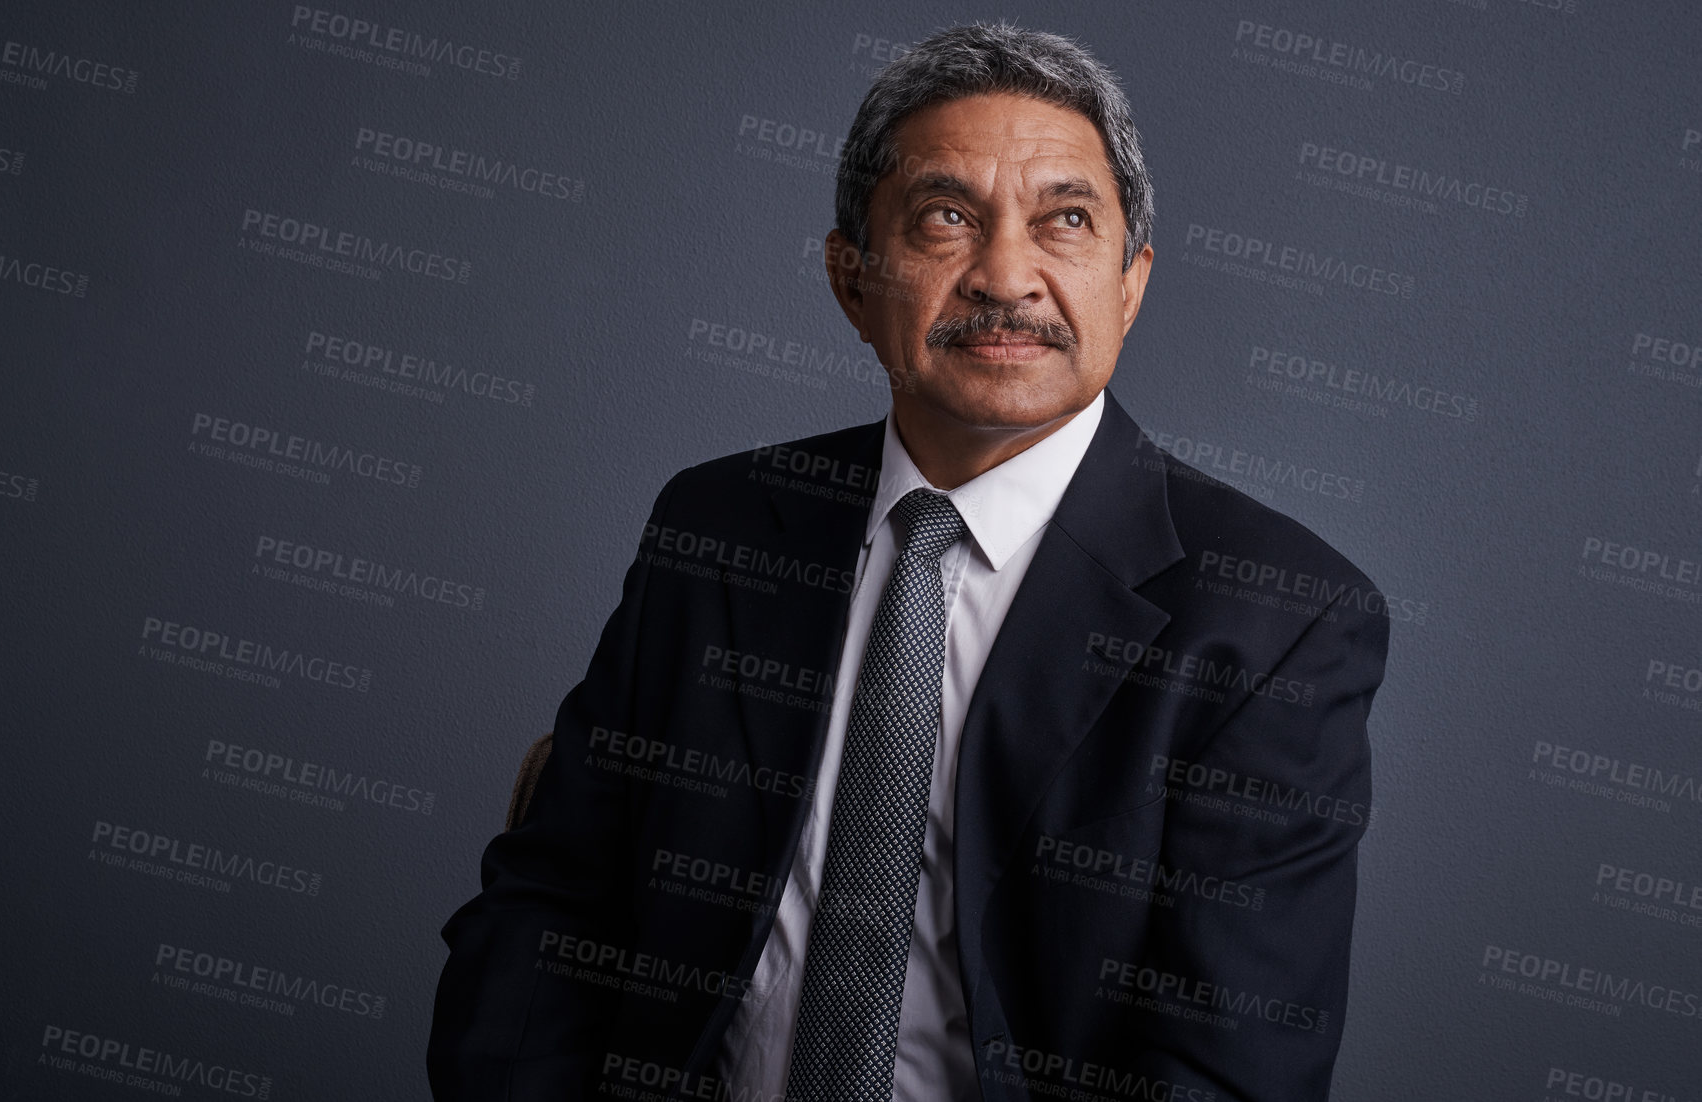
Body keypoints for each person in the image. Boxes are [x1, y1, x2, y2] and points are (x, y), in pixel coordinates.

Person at [428, 20, 1389, 1102]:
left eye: (1066, 220)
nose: (1007, 276)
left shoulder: (1276, 618)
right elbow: (554, 907)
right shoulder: (721, 528)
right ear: (851, 280)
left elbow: (1228, 1069)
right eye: (947, 218)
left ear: (1130, 282)